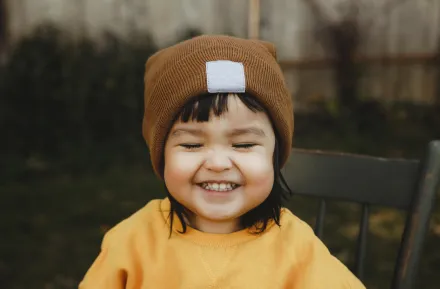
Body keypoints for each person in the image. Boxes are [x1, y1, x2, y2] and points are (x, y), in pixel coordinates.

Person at [79, 35, 365, 289]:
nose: (217, 163)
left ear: (275, 156)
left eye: (242, 144)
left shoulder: (297, 250)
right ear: (161, 154)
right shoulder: (132, 243)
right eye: (191, 144)